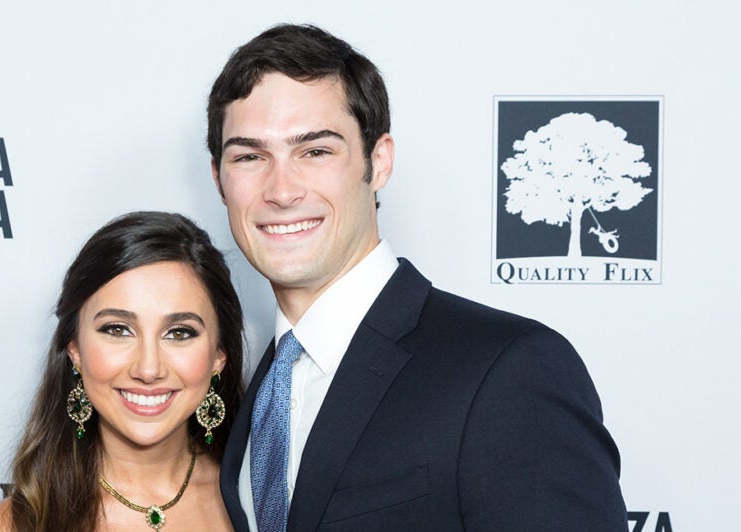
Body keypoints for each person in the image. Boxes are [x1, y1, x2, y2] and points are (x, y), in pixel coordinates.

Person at [207, 24, 628, 531]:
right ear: (219, 179)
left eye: (315, 151)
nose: (281, 189)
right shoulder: (251, 391)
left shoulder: (508, 369)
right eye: (249, 157)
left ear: (378, 161)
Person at [0, 211, 243, 532]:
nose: (148, 368)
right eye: (118, 329)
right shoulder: (10, 527)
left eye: (179, 333)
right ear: (75, 349)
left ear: (218, 356)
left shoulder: (262, 502)